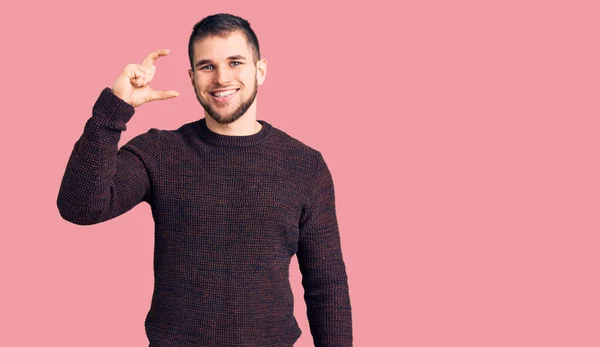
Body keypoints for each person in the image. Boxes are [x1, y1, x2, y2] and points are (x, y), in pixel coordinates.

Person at [57, 13, 352, 347]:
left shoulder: (305, 165)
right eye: (207, 66)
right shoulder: (160, 152)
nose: (221, 78)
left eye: (236, 62)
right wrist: (113, 110)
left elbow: (326, 282)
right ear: (192, 76)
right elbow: (80, 207)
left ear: (260, 70)